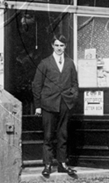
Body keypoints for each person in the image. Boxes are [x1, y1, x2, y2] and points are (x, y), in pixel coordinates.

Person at [32, 35, 79, 179]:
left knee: (63, 135)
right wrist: (38, 105)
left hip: (65, 103)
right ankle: (47, 165)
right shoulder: (45, 63)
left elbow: (75, 84)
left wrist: (72, 98)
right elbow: (36, 85)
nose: (59, 48)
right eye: (57, 45)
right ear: (53, 46)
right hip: (48, 104)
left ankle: (62, 164)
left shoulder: (70, 63)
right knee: (48, 136)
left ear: (65, 47)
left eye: (62, 46)